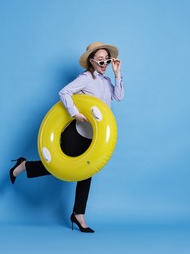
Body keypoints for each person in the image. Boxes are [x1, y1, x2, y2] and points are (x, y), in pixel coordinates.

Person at [9, 42, 124, 233]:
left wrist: (118, 74)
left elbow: (118, 97)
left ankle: (78, 214)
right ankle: (23, 166)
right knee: (60, 167)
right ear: (92, 61)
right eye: (101, 59)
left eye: (107, 59)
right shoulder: (86, 78)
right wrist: (74, 113)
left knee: (86, 173)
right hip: (77, 134)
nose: (105, 62)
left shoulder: (105, 82)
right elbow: (64, 92)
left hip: (94, 137)